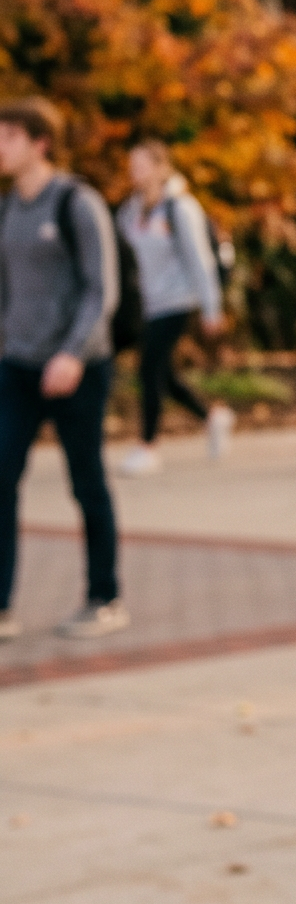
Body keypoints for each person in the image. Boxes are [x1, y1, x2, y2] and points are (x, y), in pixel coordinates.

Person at [0, 99, 125, 642]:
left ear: (38, 142)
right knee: (1, 479)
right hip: (19, 365)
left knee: (86, 482)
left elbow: (102, 289)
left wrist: (73, 352)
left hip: (78, 367)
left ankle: (104, 597)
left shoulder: (77, 202)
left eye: (6, 138)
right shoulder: (9, 209)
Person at [115, 139, 233, 475]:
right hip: (147, 304)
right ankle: (212, 417)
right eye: (131, 165)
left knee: (148, 368)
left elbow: (200, 262)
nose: (133, 172)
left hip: (178, 301)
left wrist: (212, 308)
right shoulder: (130, 211)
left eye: (140, 165)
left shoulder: (181, 208)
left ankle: (147, 445)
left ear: (160, 167)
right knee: (164, 375)